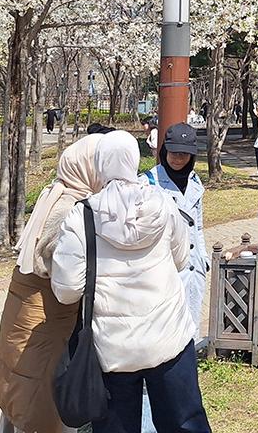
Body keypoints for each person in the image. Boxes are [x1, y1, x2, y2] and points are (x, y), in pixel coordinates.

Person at [50, 131, 210, 433]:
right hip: (169, 337)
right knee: (185, 423)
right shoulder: (163, 203)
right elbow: (180, 259)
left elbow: (67, 290)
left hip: (112, 348)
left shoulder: (82, 215)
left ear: (100, 164)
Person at [0, 134, 100, 433]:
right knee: (42, 394)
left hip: (24, 307)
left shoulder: (55, 191)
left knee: (19, 386)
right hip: (46, 313)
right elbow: (56, 267)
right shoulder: (70, 206)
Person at [144, 123, 208, 330]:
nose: (178, 159)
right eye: (174, 152)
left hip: (193, 267)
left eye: (184, 154)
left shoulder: (195, 180)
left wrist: (203, 258)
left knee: (190, 326)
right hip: (164, 268)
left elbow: (198, 226)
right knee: (165, 329)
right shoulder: (148, 183)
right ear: (165, 151)